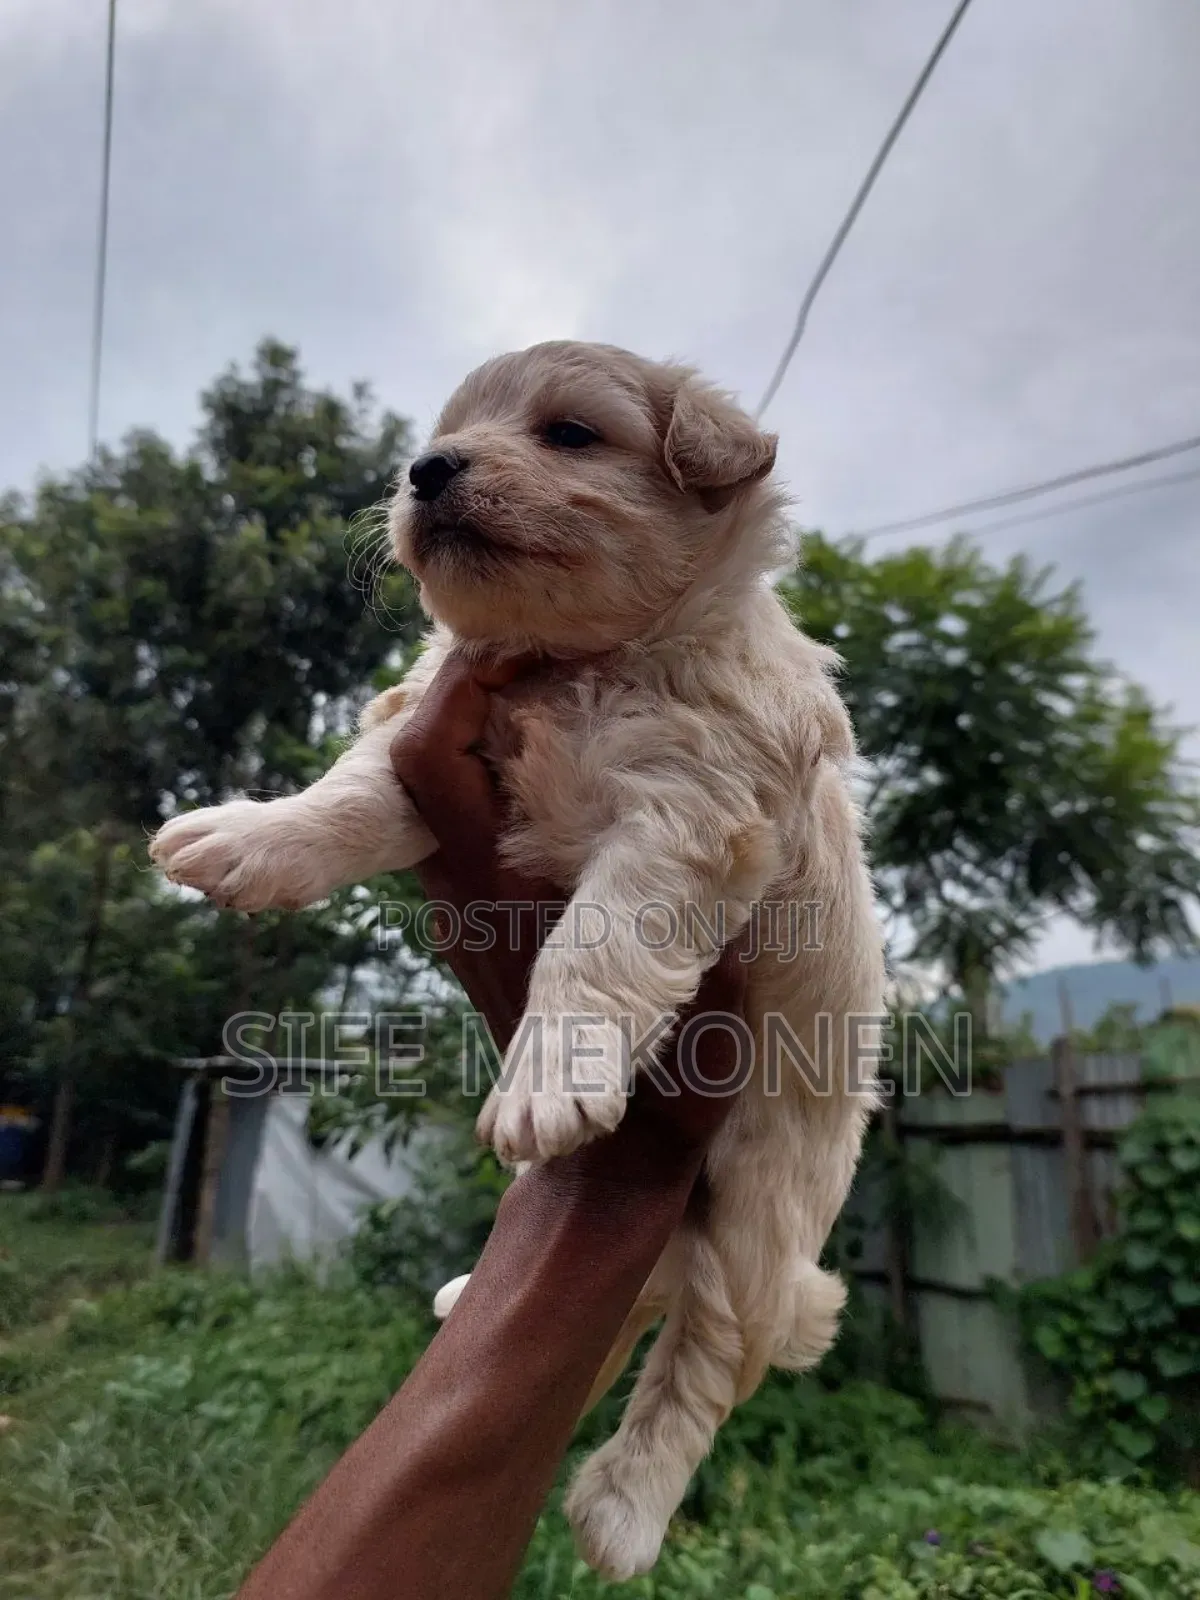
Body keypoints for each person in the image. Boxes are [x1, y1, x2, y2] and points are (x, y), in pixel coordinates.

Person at [235, 654, 749, 1600]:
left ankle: (657, 1451)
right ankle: (602, 1317)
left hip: (777, 1051)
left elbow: (702, 820)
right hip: (643, 1083)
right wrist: (327, 822)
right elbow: (413, 743)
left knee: (760, 1243)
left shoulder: (711, 666)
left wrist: (584, 1021)